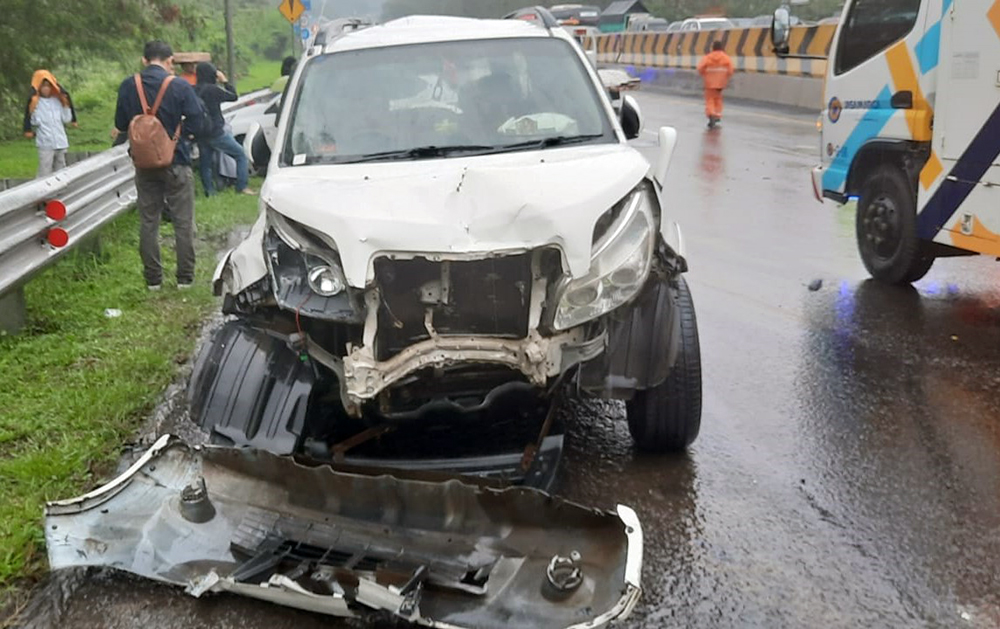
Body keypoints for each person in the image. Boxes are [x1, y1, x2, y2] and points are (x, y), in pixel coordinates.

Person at [114, 40, 205, 291]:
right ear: (170, 61)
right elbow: (198, 119)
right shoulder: (179, 86)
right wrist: (182, 137)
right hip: (176, 160)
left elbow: (121, 123)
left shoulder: (128, 85)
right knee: (183, 221)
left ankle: (153, 280)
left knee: (149, 221)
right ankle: (184, 278)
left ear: (144, 60)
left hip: (144, 165)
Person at [194, 62, 254, 197]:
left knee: (206, 164)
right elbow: (233, 96)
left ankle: (210, 192)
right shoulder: (213, 90)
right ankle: (242, 186)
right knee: (240, 155)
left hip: (201, 133)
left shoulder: (194, 90)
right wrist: (225, 81)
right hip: (216, 132)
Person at [23, 70, 77, 178]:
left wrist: (66, 105)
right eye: (43, 86)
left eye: (48, 86)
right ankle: (43, 193)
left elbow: (66, 119)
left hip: (61, 141)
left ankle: (61, 193)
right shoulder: (36, 103)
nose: (46, 89)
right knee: (45, 170)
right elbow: (33, 121)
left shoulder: (57, 101)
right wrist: (32, 110)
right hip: (45, 143)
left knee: (61, 170)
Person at [697, 41, 734, 129]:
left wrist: (705, 74)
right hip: (721, 83)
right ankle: (717, 114)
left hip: (709, 82)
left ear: (713, 48)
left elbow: (700, 68)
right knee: (718, 99)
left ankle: (711, 114)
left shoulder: (708, 57)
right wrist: (725, 78)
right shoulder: (726, 58)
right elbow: (730, 70)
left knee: (710, 99)